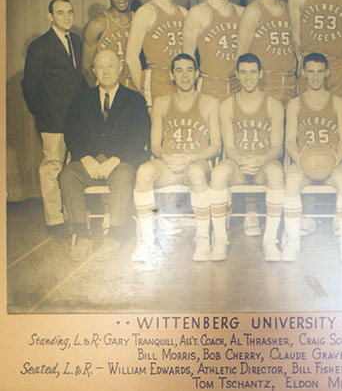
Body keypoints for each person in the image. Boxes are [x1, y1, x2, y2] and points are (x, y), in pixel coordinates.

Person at [58, 50, 150, 261]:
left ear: (120, 68)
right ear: (94, 71)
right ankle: (82, 236)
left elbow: (140, 136)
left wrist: (117, 158)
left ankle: (114, 237)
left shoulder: (135, 100)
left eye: (111, 65)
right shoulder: (80, 100)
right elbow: (71, 132)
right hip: (89, 161)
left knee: (124, 175)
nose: (106, 70)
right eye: (101, 67)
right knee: (67, 175)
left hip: (120, 162)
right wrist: (84, 157)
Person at [132, 53, 221, 262]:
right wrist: (167, 157)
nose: (185, 75)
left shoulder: (209, 103)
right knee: (144, 173)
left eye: (190, 70)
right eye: (179, 70)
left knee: (197, 171)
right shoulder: (161, 103)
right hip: (170, 165)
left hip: (197, 162)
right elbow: (155, 145)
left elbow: (216, 146)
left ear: (197, 74)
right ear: (172, 75)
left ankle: (202, 239)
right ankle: (147, 240)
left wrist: (190, 157)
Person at [208, 54, 285, 262]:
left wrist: (259, 160)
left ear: (260, 74)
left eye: (253, 72)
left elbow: (277, 147)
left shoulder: (274, 105)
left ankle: (270, 241)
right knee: (218, 173)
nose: (248, 77)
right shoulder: (227, 105)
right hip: (238, 165)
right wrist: (242, 161)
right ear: (237, 75)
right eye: (243, 72)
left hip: (263, 165)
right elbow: (229, 146)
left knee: (277, 172)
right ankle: (220, 240)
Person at [22, 0, 86, 237]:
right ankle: (54, 219)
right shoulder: (40, 46)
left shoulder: (76, 41)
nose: (67, 17)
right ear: (50, 17)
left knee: (70, 169)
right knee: (52, 167)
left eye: (70, 12)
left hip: (75, 120)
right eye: (60, 13)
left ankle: (71, 215)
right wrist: (42, 114)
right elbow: (29, 86)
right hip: (52, 120)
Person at [283, 53, 342, 261]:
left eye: (320, 72)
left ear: (327, 73)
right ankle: (293, 241)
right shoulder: (295, 104)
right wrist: (300, 161)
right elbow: (289, 141)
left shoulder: (338, 103)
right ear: (303, 73)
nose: (315, 77)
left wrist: (336, 160)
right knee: (293, 179)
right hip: (305, 163)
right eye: (310, 72)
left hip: (331, 162)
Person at [236, 0, 297, 106]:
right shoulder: (254, 11)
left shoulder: (289, 9)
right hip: (266, 83)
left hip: (290, 82)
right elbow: (241, 54)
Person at [126, 0, 186, 107]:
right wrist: (141, 88)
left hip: (180, 79)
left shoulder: (184, 13)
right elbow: (131, 57)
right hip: (156, 80)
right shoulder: (146, 12)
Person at [183, 0, 243, 101]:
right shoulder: (198, 12)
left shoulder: (242, 13)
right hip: (210, 86)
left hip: (237, 85)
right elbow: (187, 56)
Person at [82, 0, 135, 89]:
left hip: (135, 86)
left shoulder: (139, 19)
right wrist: (98, 93)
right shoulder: (97, 24)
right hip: (110, 88)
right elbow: (87, 67)